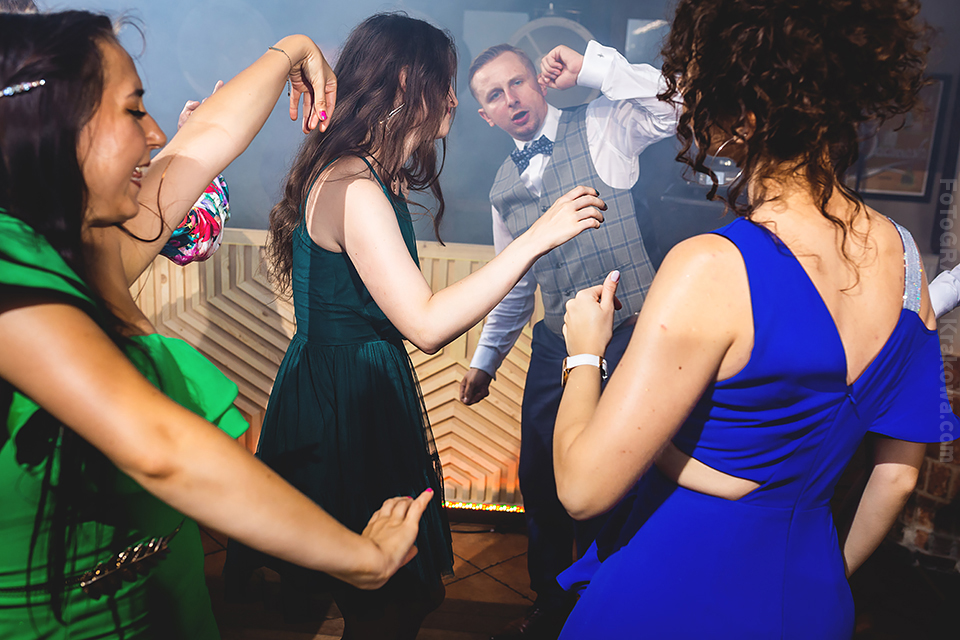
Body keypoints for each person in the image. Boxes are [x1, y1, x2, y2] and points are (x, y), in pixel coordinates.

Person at [0, 10, 434, 639]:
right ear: (51, 128)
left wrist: (294, 49)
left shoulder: (98, 243)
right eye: (132, 110)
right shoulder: (11, 269)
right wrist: (362, 560)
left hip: (170, 601)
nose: (155, 133)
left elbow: (207, 136)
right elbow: (162, 450)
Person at [551, 0, 957, 638]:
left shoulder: (712, 268)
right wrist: (820, 576)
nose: (685, 103)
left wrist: (583, 352)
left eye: (694, 86)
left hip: (672, 593)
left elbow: (581, 488)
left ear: (740, 113)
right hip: (812, 600)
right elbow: (899, 478)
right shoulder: (905, 258)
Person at [242, 12, 605, 640]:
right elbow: (427, 324)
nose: (456, 101)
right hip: (345, 402)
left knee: (376, 591)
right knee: (382, 598)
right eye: (447, 81)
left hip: (351, 386)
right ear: (409, 82)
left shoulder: (372, 173)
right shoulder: (356, 185)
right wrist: (536, 237)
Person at [458, 40, 679, 638]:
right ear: (486, 115)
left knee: (625, 476)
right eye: (495, 96)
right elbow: (514, 285)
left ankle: (617, 600)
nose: (511, 99)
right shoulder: (502, 187)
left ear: (538, 81)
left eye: (517, 83)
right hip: (557, 345)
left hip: (634, 335)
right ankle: (552, 605)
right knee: (541, 479)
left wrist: (596, 70)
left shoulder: (603, 125)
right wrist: (485, 361)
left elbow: (674, 108)